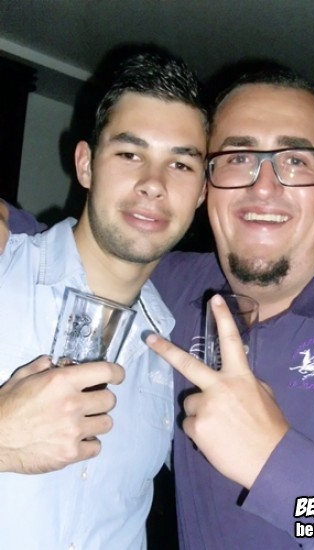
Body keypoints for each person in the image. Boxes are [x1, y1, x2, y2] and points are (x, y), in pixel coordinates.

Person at [5, 64, 314, 548]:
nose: (263, 186)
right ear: (208, 190)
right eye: (238, 158)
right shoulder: (175, 292)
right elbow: (103, 247)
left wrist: (275, 466)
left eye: (296, 160)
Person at [0, 51, 206, 549]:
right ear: (86, 164)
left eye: (181, 164)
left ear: (201, 193)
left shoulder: (176, 356)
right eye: (130, 154)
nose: (153, 184)